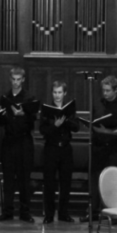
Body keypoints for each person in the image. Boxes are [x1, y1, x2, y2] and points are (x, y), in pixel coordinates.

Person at [81, 75, 117, 222]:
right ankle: (93, 211)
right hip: (98, 148)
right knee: (95, 180)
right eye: (103, 90)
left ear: (116, 90)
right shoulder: (98, 104)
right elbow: (93, 122)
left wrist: (106, 131)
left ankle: (113, 213)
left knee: (113, 181)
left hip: (115, 150)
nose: (105, 93)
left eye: (108, 90)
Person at [0, 67, 38, 223]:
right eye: (13, 79)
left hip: (24, 141)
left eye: (18, 79)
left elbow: (33, 121)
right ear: (10, 79)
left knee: (24, 179)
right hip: (8, 141)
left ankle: (25, 212)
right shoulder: (5, 97)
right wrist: (3, 115)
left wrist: (23, 115)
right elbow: (0, 121)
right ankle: (7, 212)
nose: (15, 82)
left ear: (23, 79)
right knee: (8, 179)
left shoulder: (29, 97)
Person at [39, 81, 80, 224]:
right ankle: (49, 214)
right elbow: (42, 130)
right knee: (49, 183)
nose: (57, 95)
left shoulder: (70, 109)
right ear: (52, 93)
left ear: (65, 93)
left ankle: (63, 213)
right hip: (51, 148)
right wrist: (55, 126)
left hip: (65, 149)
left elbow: (76, 128)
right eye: (55, 92)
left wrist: (66, 121)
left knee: (66, 183)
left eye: (60, 92)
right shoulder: (46, 110)